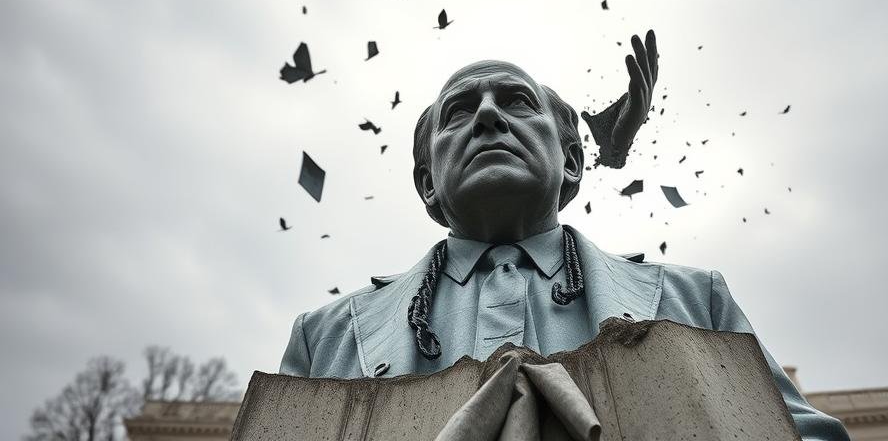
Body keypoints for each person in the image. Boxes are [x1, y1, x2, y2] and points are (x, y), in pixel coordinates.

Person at [280, 30, 850, 439]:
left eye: (516, 102)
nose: (487, 117)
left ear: (572, 161)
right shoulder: (323, 339)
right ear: (428, 182)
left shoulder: (695, 301)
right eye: (458, 112)